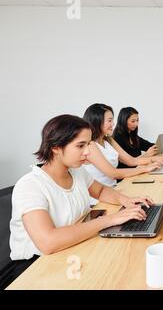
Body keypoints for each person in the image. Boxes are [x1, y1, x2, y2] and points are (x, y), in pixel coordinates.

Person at [3, 115, 153, 289]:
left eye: (88, 144)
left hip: (72, 248)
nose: (88, 152)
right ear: (56, 147)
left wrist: (126, 200)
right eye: (80, 145)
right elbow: (48, 242)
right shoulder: (30, 186)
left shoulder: (76, 172)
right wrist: (110, 220)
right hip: (36, 267)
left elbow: (101, 190)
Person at [82, 104, 163, 190]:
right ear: (97, 121)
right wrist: (145, 168)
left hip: (114, 189)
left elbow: (132, 161)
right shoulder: (90, 145)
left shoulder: (109, 140)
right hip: (99, 198)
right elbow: (113, 173)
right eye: (109, 120)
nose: (113, 124)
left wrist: (155, 159)